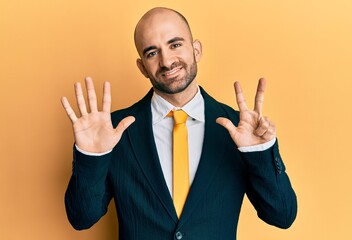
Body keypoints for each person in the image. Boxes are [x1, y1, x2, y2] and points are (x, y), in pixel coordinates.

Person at [61, 7, 297, 240]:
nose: (166, 61)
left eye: (175, 45)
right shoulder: (113, 130)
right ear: (142, 67)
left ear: (196, 50)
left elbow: (282, 216)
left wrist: (259, 153)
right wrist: (91, 158)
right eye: (152, 52)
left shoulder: (239, 130)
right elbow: (82, 218)